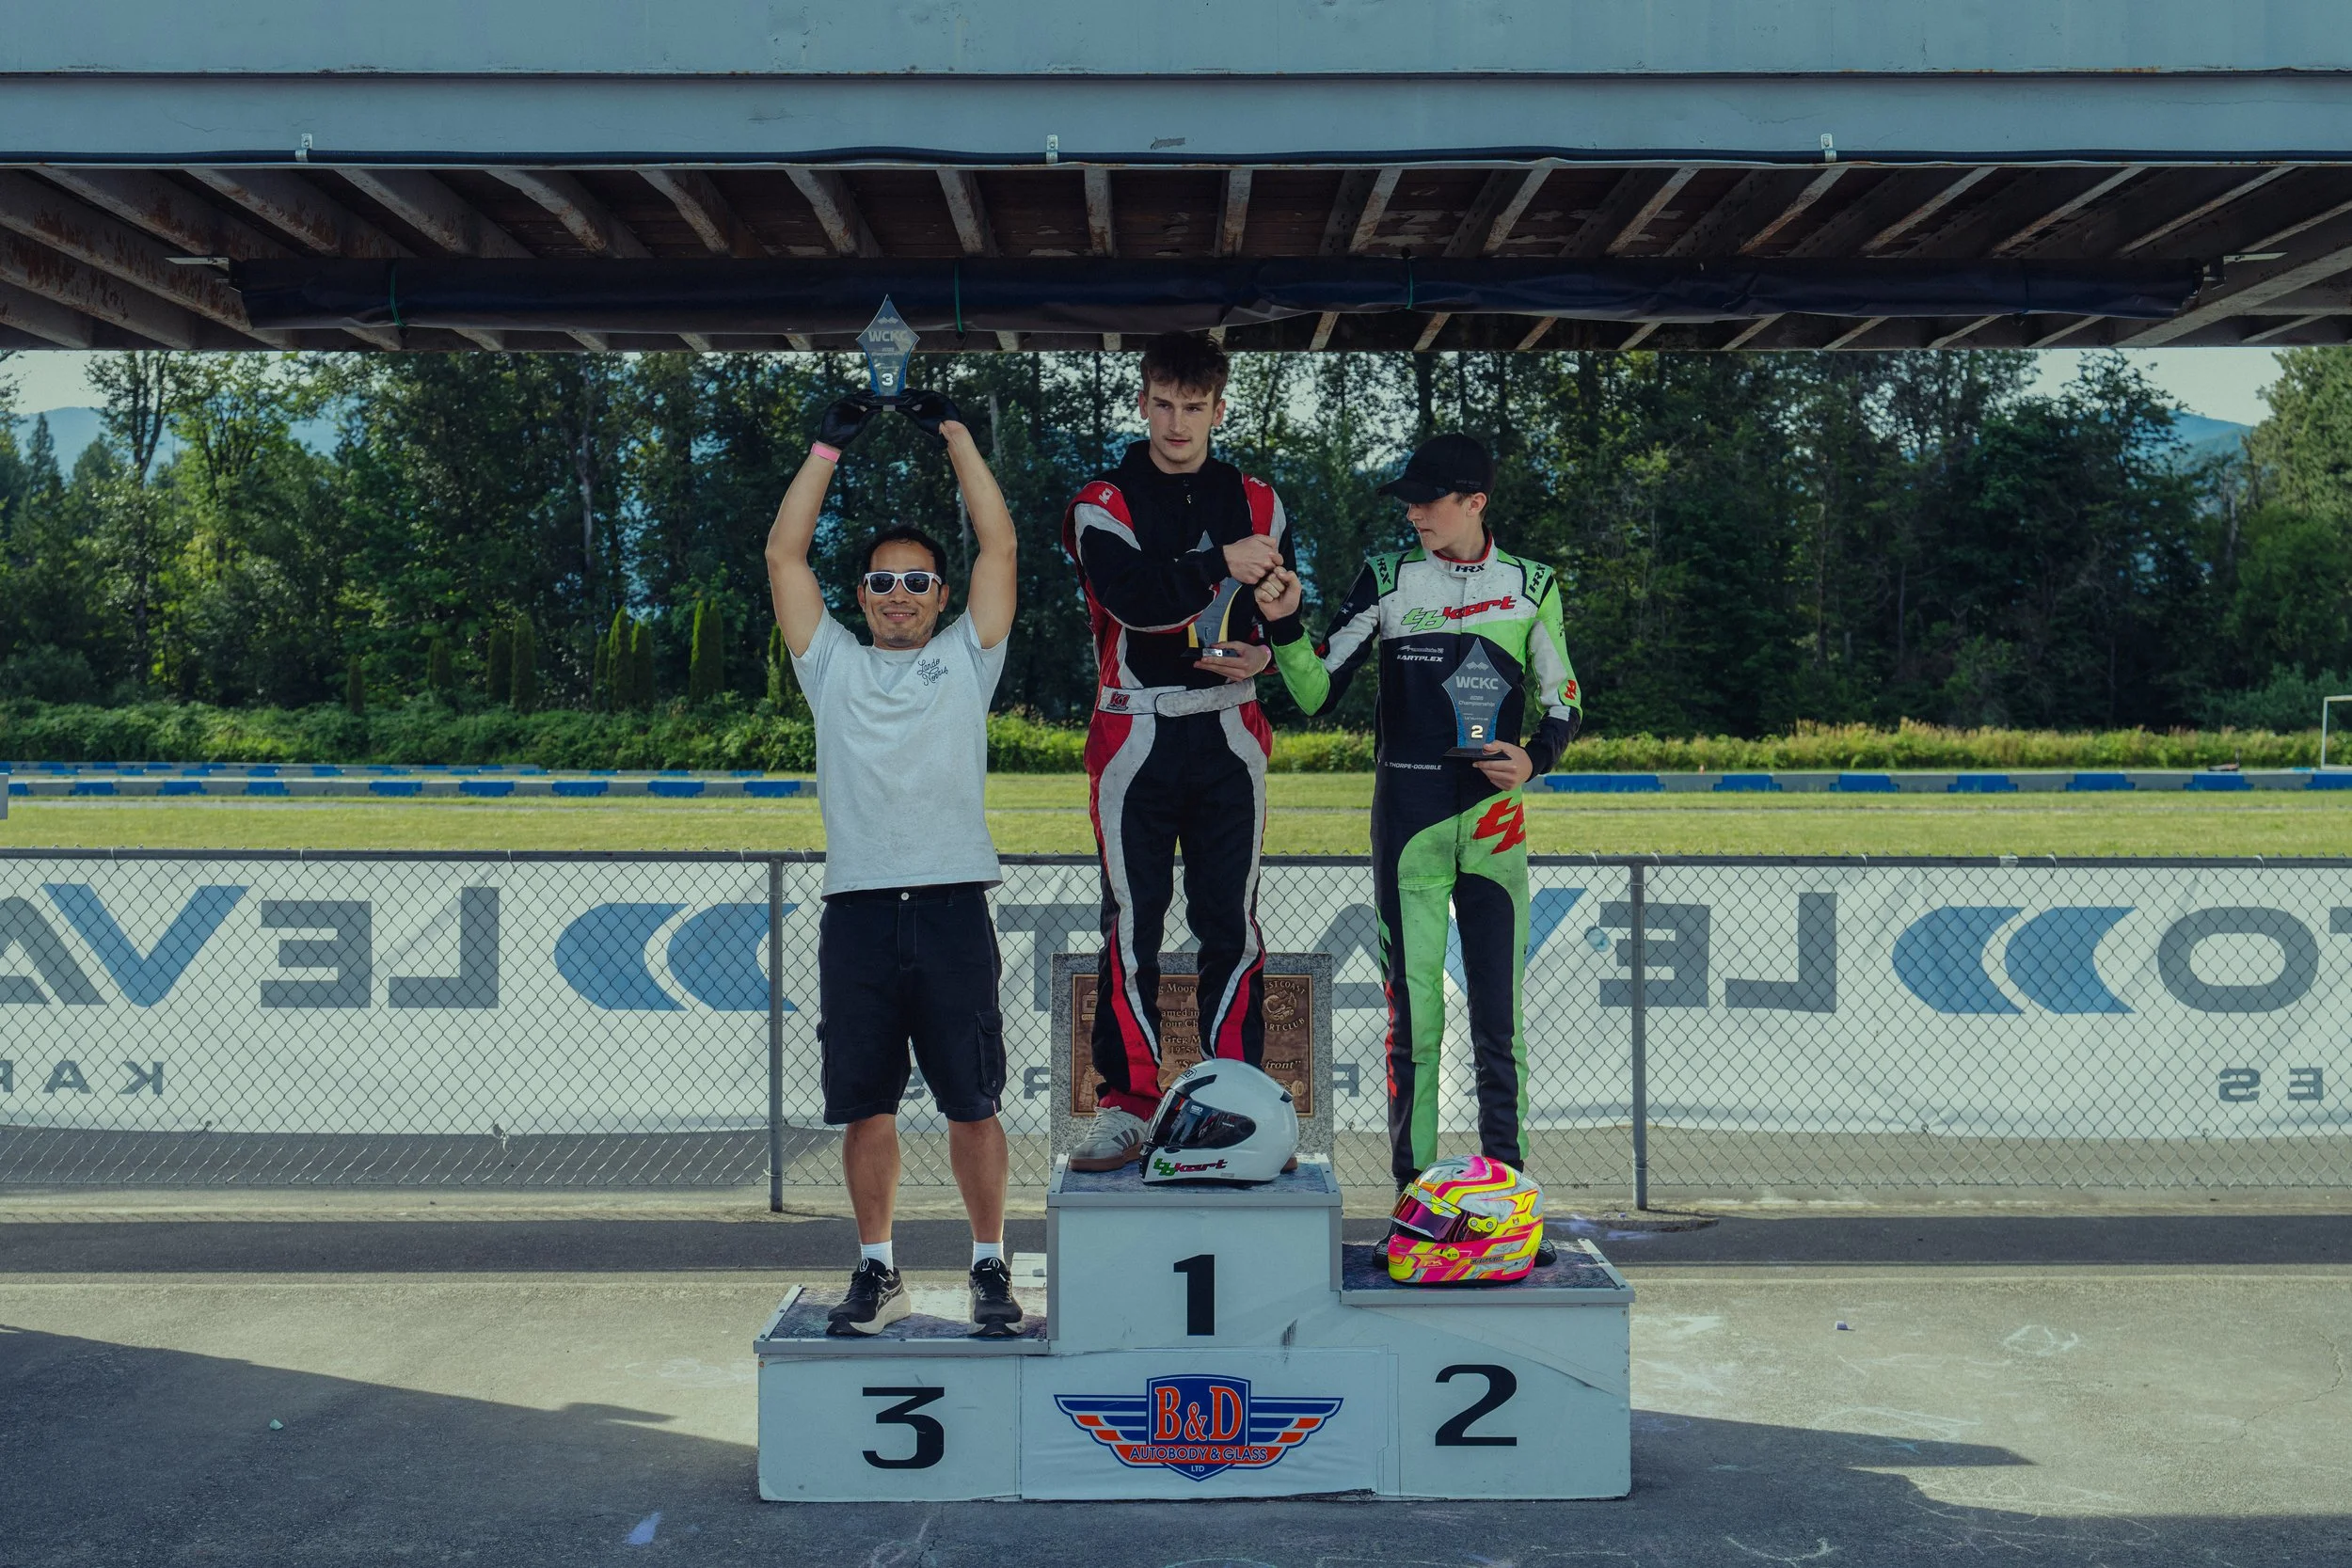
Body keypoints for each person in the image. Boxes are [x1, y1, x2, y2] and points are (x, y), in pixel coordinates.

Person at [1253, 434, 1582, 1194]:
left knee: (1499, 1025)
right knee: (1415, 1025)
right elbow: (1315, 690)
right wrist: (1284, 625)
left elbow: (1564, 695)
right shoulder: (1388, 577)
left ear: (1475, 502)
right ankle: (1414, 1198)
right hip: (1409, 826)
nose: (1413, 514)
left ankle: (1507, 1203)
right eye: (1408, 503)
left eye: (1428, 502)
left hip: (1495, 830)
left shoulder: (1533, 583)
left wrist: (1536, 757)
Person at [763, 387, 1022, 1336]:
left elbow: (1000, 546)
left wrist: (957, 434)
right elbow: (784, 555)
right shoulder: (829, 663)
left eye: (918, 580)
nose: (900, 594)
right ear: (861, 594)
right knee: (866, 1105)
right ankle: (877, 1268)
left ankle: (989, 1263)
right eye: (882, 581)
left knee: (972, 1102)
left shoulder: (967, 661)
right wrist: (826, 447)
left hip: (952, 908)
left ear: (941, 596)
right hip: (860, 914)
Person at [1060, 332, 1295, 1172]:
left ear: (1219, 409)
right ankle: (1126, 1104)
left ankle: (1237, 1099)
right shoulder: (1101, 502)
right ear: (1141, 402)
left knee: (1232, 923)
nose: (1176, 423)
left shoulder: (1261, 500)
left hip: (1231, 730)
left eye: (1194, 407)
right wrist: (1217, 562)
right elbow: (1133, 599)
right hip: (1135, 731)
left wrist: (1271, 644)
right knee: (1134, 926)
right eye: (1162, 403)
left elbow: (1279, 613)